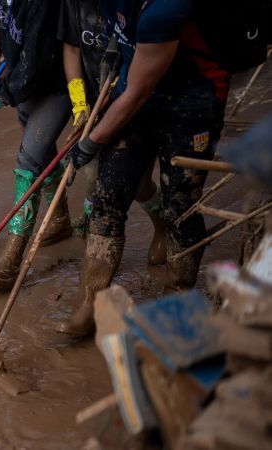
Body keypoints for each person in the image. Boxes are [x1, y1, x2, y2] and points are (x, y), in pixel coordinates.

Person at [59, 0, 231, 336]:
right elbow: (123, 39)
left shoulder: (165, 8)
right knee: (108, 195)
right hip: (136, 93)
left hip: (191, 102)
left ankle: (178, 294)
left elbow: (138, 92)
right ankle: (91, 301)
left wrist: (90, 142)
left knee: (181, 204)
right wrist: (112, 48)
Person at [0, 0, 73, 290]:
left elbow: (37, 63)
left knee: (28, 160)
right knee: (38, 143)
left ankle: (12, 259)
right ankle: (59, 219)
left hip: (58, 79)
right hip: (24, 75)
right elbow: (4, 34)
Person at [58, 0, 166, 266]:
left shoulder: (138, 7)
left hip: (133, 97)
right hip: (92, 100)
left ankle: (164, 224)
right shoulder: (72, 3)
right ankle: (94, 245)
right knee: (93, 177)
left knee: (140, 185)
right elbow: (71, 49)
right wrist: (79, 104)